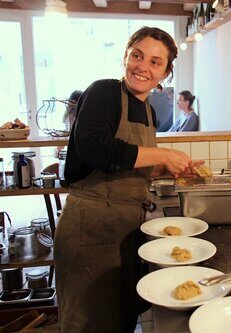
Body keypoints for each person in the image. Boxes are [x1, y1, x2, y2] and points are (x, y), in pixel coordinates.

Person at [54, 27, 200, 332]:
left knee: (122, 319)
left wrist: (165, 168)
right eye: (137, 55)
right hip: (91, 229)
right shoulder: (104, 92)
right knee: (88, 322)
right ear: (126, 56)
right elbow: (95, 149)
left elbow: (128, 164)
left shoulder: (149, 112)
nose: (143, 67)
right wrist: (162, 155)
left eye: (155, 62)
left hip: (128, 230)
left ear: (166, 72)